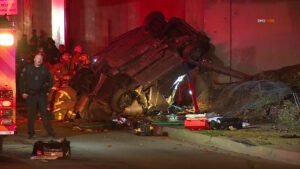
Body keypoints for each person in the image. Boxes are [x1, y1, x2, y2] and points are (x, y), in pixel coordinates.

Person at [19, 53, 56, 139]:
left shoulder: (45, 69)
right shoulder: (28, 68)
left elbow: (51, 80)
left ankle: (51, 132)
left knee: (44, 114)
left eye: (40, 59)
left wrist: (48, 91)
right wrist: (23, 92)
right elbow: (21, 81)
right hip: (31, 95)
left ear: (42, 61)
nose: (39, 60)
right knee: (31, 115)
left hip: (41, 95)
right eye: (37, 58)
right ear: (34, 59)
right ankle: (31, 133)